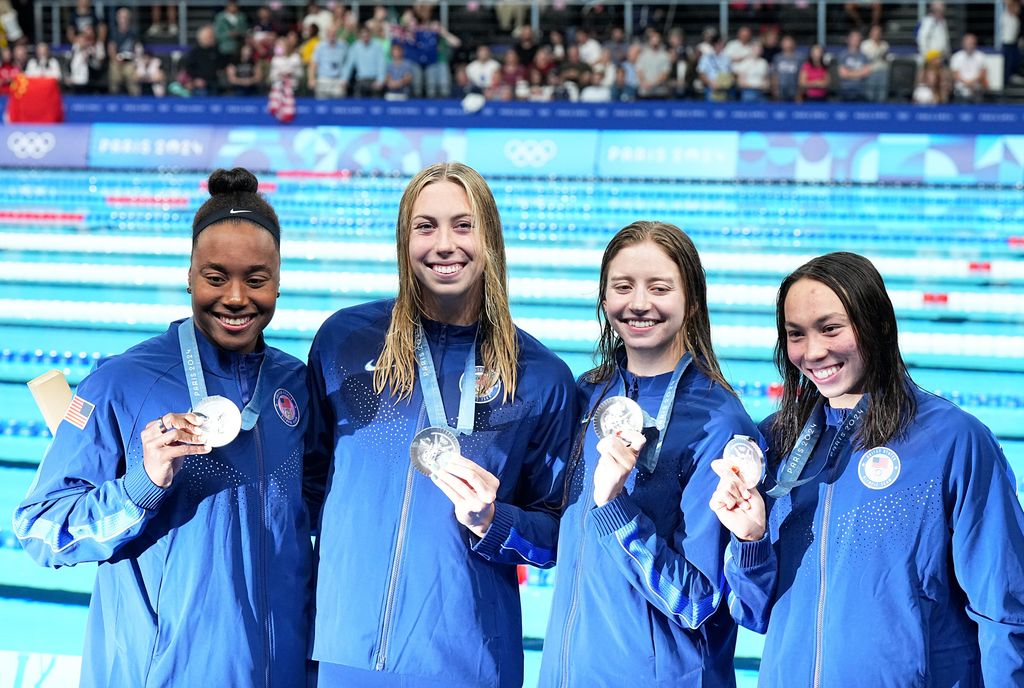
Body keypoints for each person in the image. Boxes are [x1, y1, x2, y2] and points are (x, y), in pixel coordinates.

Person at [13, 168, 312, 688]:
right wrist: (141, 485)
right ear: (190, 276)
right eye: (216, 278)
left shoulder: (296, 385)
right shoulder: (122, 382)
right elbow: (39, 529)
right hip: (159, 674)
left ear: (279, 281)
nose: (236, 298)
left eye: (256, 279)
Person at [304, 162, 576, 688]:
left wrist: (494, 521)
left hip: (468, 661)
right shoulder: (345, 341)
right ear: (404, 240)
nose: (444, 243)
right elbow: (306, 490)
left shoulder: (540, 377)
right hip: (343, 653)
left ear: (490, 237)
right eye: (425, 226)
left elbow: (557, 534)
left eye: (463, 225)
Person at [711, 252, 1024, 687]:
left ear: (877, 324)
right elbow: (755, 613)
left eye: (831, 328)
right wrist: (750, 541)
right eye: (796, 335)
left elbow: (1005, 606)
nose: (813, 351)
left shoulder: (952, 439)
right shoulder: (776, 445)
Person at [539, 221, 758, 687]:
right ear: (604, 299)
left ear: (691, 300)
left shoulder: (717, 425)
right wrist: (488, 519)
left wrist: (614, 508)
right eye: (623, 287)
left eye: (659, 288)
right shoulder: (588, 396)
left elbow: (700, 601)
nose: (639, 304)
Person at [950, 33, 988, 102]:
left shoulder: (981, 57)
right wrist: (967, 83)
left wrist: (971, 83)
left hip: (976, 89)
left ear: (975, 44)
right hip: (960, 89)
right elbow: (955, 74)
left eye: (972, 43)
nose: (970, 46)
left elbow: (983, 73)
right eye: (968, 43)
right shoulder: (956, 57)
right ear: (963, 44)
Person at [837, 29, 871, 101]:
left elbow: (867, 73)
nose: (856, 40)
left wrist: (850, 73)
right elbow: (843, 74)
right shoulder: (843, 55)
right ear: (848, 40)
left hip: (861, 91)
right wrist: (859, 73)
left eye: (858, 38)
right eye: (854, 38)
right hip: (846, 90)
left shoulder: (864, 56)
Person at [860, 24, 890, 102]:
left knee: (882, 94)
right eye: (875, 32)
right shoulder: (865, 44)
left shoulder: (885, 44)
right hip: (870, 71)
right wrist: (879, 51)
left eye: (879, 32)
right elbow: (868, 58)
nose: (877, 34)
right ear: (871, 33)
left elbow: (885, 59)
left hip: (883, 71)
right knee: (870, 94)